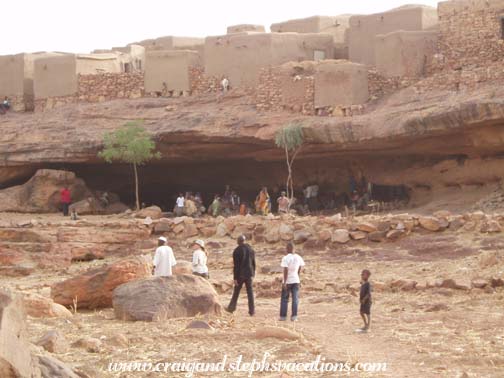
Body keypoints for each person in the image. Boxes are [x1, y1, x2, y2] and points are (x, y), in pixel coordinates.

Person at [226, 235, 256, 316]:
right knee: (250, 292)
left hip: (240, 275)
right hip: (249, 273)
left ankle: (231, 308)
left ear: (238, 241)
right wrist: (253, 273)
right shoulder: (251, 249)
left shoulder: (237, 251)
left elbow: (236, 266)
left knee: (236, 292)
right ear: (244, 240)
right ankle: (252, 311)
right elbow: (253, 262)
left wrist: (235, 278)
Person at [279, 242, 305, 321]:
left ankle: (283, 317)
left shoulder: (286, 258)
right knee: (295, 299)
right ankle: (294, 316)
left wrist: (285, 282)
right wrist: (297, 276)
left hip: (288, 281)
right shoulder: (298, 257)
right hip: (296, 280)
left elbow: (285, 270)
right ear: (294, 249)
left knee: (284, 299)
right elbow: (300, 267)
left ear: (287, 249)